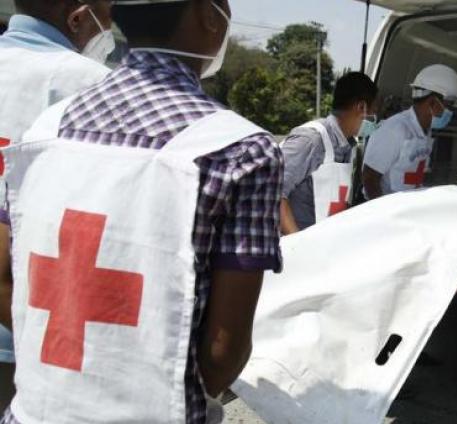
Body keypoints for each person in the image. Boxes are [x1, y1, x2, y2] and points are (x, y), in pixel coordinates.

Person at [0, 0, 283, 423]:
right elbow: (223, 353)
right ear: (209, 16)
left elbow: (4, 278)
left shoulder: (43, 130)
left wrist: (67, 368)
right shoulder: (242, 151)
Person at [0, 0, 114, 412]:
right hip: (29, 328)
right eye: (109, 8)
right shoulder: (93, 85)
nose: (112, 23)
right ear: (79, 17)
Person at [280, 71, 378, 234]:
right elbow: (272, 192)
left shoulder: (348, 148)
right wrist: (297, 242)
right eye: (374, 111)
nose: (375, 119)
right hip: (296, 250)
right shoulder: (311, 140)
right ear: (361, 107)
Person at [362, 64, 457, 200]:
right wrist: (385, 215)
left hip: (408, 208)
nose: (450, 112)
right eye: (448, 106)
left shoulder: (425, 131)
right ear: (432, 102)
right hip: (388, 211)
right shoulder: (395, 129)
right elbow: (369, 178)